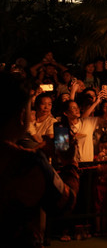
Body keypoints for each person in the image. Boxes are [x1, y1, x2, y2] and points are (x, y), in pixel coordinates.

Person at [0, 72, 79, 248]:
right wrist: (69, 162)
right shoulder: (29, 163)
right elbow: (65, 202)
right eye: (31, 108)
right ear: (22, 115)